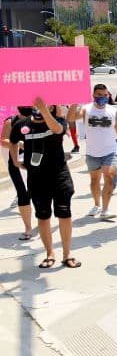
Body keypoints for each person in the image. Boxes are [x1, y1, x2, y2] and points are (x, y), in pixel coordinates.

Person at [8, 98, 79, 268]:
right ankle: (49, 253)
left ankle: (67, 253)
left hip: (59, 175)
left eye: (48, 104)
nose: (39, 107)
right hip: (36, 178)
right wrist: (16, 160)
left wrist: (45, 110)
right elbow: (12, 141)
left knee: (64, 214)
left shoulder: (58, 121)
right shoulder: (21, 124)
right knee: (43, 216)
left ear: (53, 106)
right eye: (36, 105)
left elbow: (58, 129)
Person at [68, 84, 117, 220]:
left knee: (110, 178)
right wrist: (75, 101)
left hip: (110, 151)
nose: (102, 97)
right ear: (94, 95)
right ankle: (97, 204)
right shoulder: (86, 109)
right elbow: (70, 118)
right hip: (92, 152)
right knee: (95, 180)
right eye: (99, 95)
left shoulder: (114, 111)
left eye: (105, 95)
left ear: (108, 95)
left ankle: (106, 210)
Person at [2, 108, 34, 241]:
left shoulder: (38, 118)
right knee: (23, 194)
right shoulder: (11, 121)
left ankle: (44, 220)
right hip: (17, 162)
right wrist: (18, 144)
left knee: (39, 192)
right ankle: (28, 227)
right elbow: (3, 140)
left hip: (36, 161)